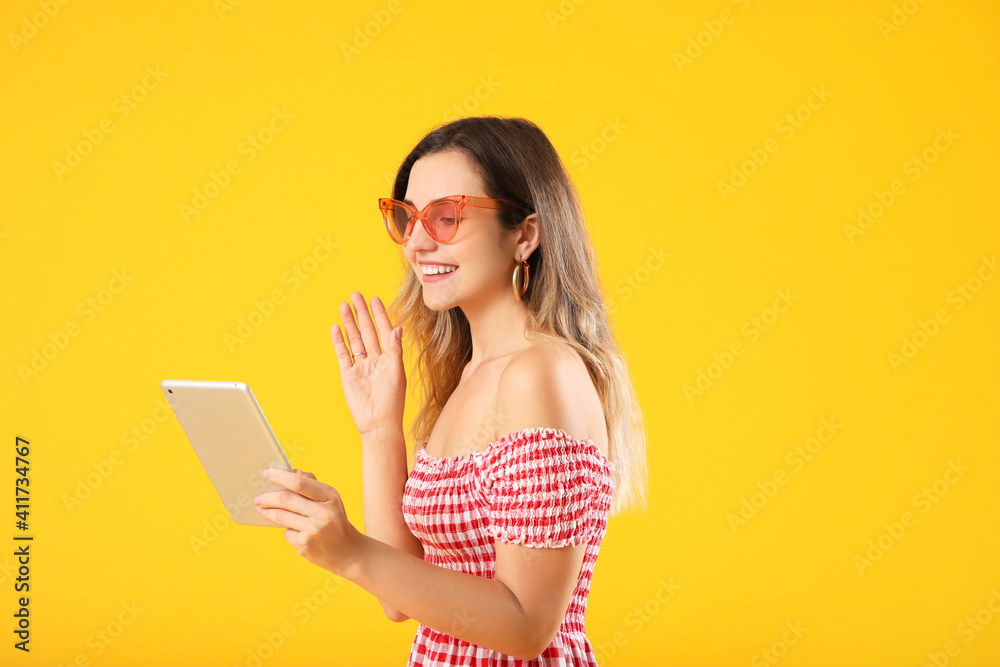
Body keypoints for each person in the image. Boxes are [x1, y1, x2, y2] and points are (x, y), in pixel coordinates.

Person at [253, 115, 647, 665]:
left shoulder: (540, 374)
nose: (416, 242)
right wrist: (379, 431)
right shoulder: (468, 374)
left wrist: (350, 553)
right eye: (407, 218)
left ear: (525, 235)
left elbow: (527, 626)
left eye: (446, 217)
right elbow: (401, 598)